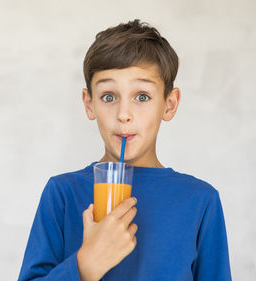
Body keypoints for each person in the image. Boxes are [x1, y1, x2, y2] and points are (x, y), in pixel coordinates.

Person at [18, 19, 232, 281]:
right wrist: (86, 265)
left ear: (169, 103)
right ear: (89, 103)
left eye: (142, 96)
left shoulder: (201, 201)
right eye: (109, 96)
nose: (123, 115)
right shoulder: (62, 193)